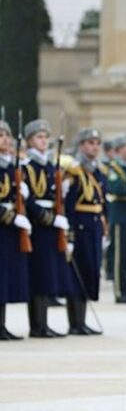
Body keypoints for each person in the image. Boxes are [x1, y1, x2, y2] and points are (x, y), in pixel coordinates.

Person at [23, 119, 70, 338]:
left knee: (48, 274)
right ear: (30, 142)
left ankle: (43, 323)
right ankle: (37, 325)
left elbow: (55, 197)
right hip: (38, 226)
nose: (43, 141)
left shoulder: (50, 166)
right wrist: (49, 219)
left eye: (45, 137)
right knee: (39, 274)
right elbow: (29, 200)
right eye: (39, 138)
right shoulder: (27, 167)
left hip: (52, 224)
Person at [65, 128, 108, 335]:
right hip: (80, 226)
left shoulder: (97, 170)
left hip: (94, 226)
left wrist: (104, 230)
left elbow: (102, 203)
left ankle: (81, 320)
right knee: (78, 273)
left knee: (91, 271)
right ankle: (76, 322)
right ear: (81, 145)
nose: (94, 147)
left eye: (97, 143)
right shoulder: (74, 171)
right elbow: (69, 205)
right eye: (90, 142)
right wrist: (70, 234)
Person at [0, 119, 30, 340]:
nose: (5, 139)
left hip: (9, 229)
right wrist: (11, 217)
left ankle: (2, 324)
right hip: (5, 223)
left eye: (6, 135)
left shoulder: (10, 167)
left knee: (6, 277)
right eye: (1, 135)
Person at [105, 134, 126, 304]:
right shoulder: (114, 168)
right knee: (120, 255)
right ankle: (120, 290)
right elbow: (115, 187)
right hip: (120, 214)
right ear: (118, 150)